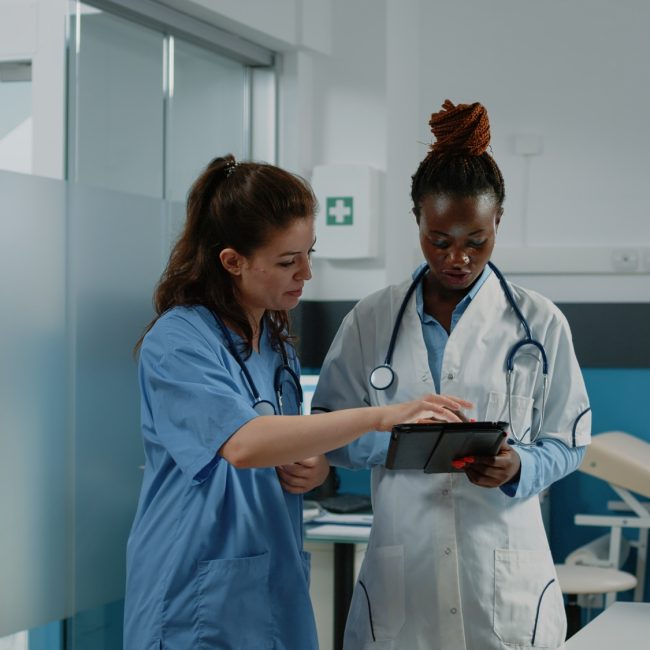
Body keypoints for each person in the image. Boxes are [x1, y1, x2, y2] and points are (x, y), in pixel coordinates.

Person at [122, 155, 470, 650]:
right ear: (232, 261)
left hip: (271, 580)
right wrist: (383, 415)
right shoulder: (178, 342)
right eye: (288, 261)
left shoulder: (277, 343)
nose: (306, 272)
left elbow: (283, 444)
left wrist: (317, 468)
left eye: (309, 252)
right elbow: (242, 445)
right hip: (194, 591)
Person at [311, 100, 592, 650]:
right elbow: (327, 429)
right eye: (439, 240)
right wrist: (396, 442)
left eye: (476, 240)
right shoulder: (371, 319)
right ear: (417, 219)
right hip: (404, 572)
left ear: (497, 223)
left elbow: (570, 439)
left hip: (503, 574)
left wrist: (519, 466)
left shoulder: (539, 322)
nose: (457, 257)